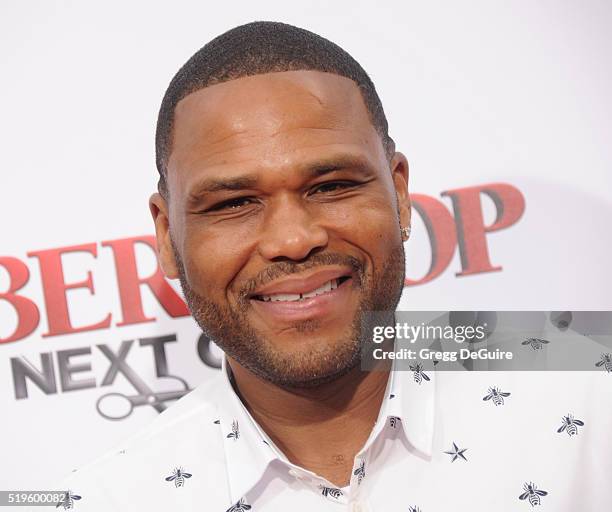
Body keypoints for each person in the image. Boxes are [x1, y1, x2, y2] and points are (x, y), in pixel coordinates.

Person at [63, 21, 612, 511]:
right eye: (233, 203)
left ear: (398, 192)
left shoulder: (590, 397)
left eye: (332, 186)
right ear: (166, 235)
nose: (293, 239)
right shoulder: (106, 499)